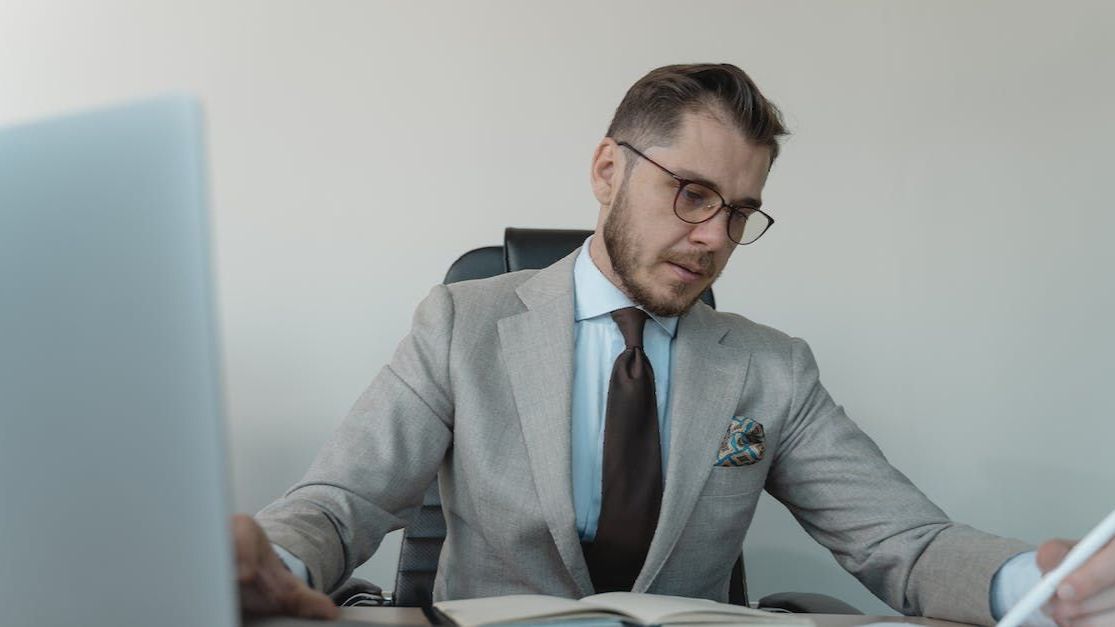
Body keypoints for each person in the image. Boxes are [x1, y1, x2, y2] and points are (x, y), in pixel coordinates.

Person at [232, 63, 1114, 626]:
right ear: (608, 171)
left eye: (737, 211)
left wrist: (1031, 583)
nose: (713, 236)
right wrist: (268, 564)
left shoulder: (772, 369)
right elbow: (341, 502)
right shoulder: (462, 325)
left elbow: (905, 543)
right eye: (691, 193)